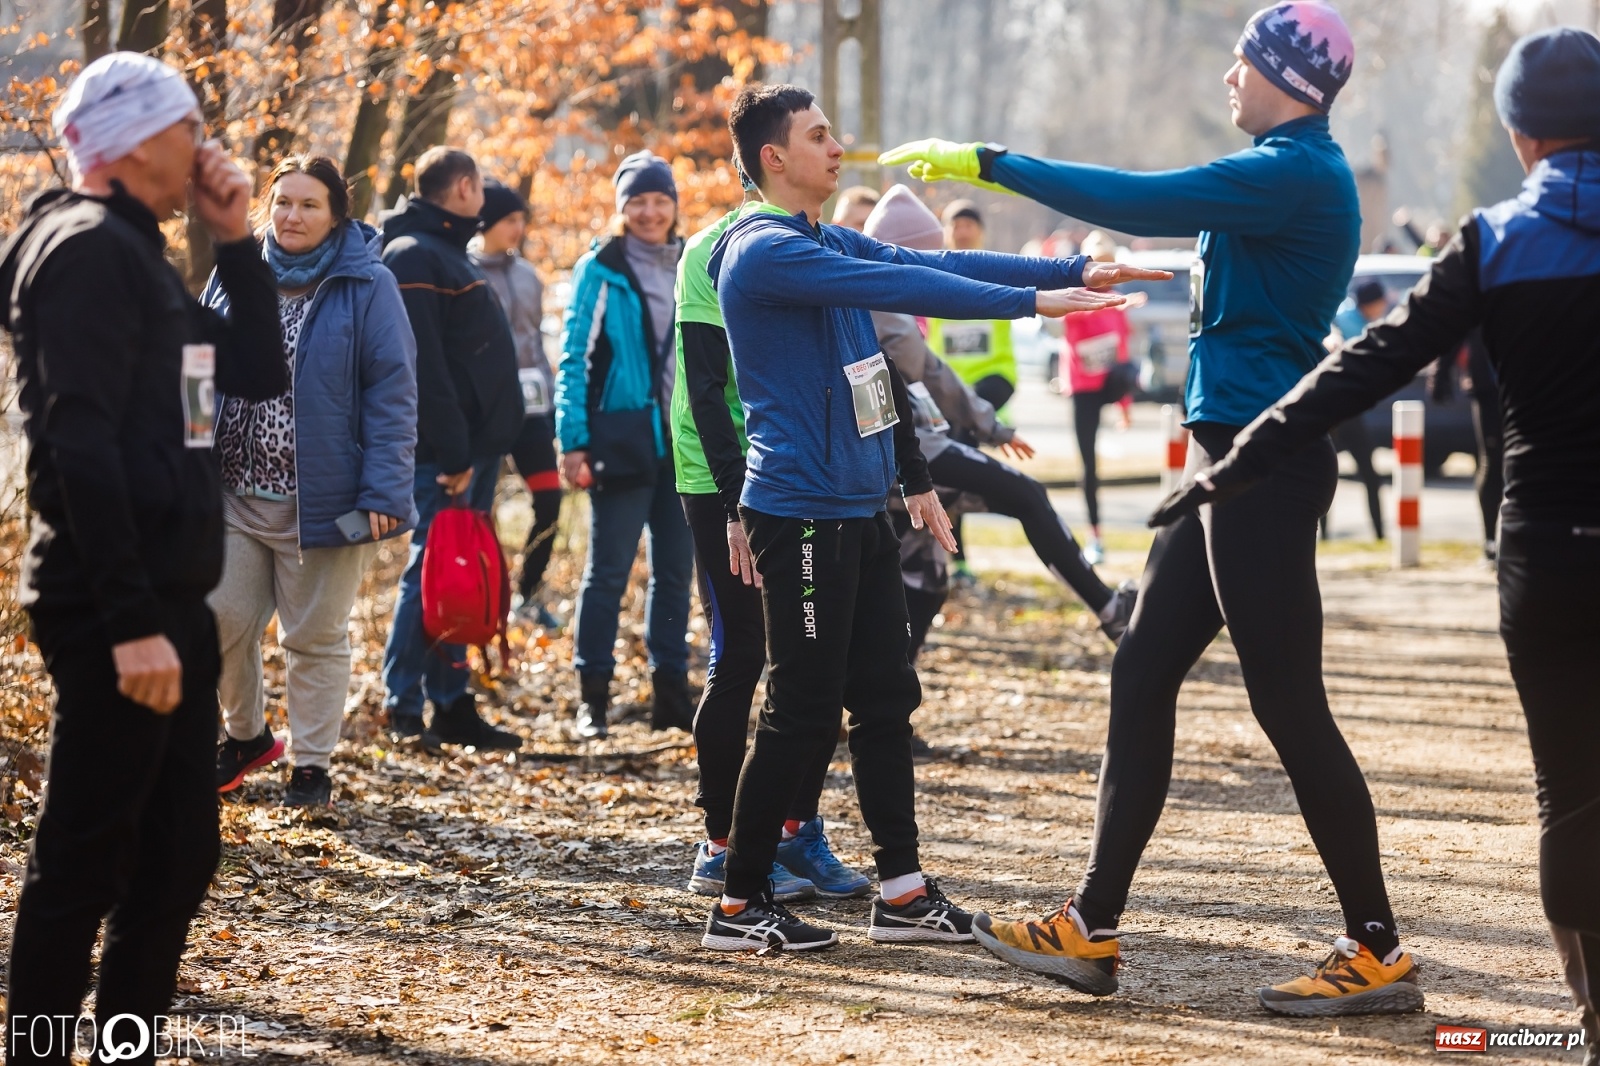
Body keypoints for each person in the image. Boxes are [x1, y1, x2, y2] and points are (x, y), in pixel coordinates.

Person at [884, 2, 1420, 1015]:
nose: (1228, 77)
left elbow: (1133, 194)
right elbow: (1246, 282)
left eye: (1242, 64)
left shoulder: (1290, 170)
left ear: (1289, 82)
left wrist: (991, 162)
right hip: (1229, 465)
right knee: (1140, 664)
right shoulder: (1282, 174)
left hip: (1262, 467)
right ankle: (1089, 927)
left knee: (1289, 706)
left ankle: (1377, 947)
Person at [1151, 27, 1600, 1053]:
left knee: (1569, 791)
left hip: (1545, 554)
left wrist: (1241, 457)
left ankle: (1590, 1019)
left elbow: (1369, 363)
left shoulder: (1492, 240)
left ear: (1519, 133)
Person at [700, 83, 1165, 953]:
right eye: (819, 135)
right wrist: (1033, 303)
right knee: (800, 709)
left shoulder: (816, 238)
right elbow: (912, 278)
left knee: (884, 699)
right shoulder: (763, 251)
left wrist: (1071, 271)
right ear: (774, 158)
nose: (839, 148)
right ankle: (738, 904)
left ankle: (904, 894)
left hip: (858, 508)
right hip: (797, 514)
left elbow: (941, 267)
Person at [0, 52, 284, 1058]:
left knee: (175, 858)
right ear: (134, 139)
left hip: (170, 604)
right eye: (190, 125)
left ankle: (123, 1051)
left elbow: (249, 370)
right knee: (85, 860)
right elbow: (75, 443)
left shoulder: (144, 259)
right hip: (116, 609)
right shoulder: (83, 251)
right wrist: (128, 626)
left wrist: (237, 240)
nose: (205, 144)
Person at [673, 189, 871, 903]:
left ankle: (795, 829)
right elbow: (703, 388)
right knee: (742, 657)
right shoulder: (713, 249)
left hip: (801, 477)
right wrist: (732, 505)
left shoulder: (817, 240)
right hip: (723, 480)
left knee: (814, 664)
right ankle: (720, 846)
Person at [209, 155, 417, 807]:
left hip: (325, 499)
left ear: (336, 218)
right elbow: (192, 368)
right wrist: (181, 456)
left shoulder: (368, 284)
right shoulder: (234, 274)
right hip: (232, 492)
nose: (292, 216)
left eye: (308, 205)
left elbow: (393, 391)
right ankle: (245, 737)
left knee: (314, 637)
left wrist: (384, 490)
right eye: (283, 202)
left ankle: (312, 765)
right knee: (216, 618)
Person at [863, 187, 1136, 647]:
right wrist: (990, 424)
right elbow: (931, 372)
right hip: (910, 458)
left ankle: (883, 689)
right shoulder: (882, 300)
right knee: (1026, 494)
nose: (936, 272)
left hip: (911, 450)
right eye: (928, 258)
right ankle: (1109, 610)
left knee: (925, 581)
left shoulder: (888, 294)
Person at [381, 147, 523, 752]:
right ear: (464, 188)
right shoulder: (414, 254)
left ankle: (451, 701)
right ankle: (404, 702)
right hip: (447, 454)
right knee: (433, 569)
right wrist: (456, 451)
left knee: (456, 573)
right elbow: (425, 367)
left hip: (470, 449)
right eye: (480, 186)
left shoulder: (443, 253)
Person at [556, 150, 695, 739]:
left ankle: (671, 695)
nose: (649, 211)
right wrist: (573, 442)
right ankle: (595, 699)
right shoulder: (601, 269)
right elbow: (573, 360)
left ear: (673, 205)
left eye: (660, 200)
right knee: (607, 572)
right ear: (622, 208)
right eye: (637, 201)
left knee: (675, 573)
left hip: (685, 444)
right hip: (620, 440)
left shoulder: (694, 262)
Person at [472, 178, 564, 626]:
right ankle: (481, 599)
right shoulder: (464, 272)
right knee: (477, 512)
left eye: (522, 219)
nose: (519, 228)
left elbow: (536, 343)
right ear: (486, 221)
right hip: (484, 414)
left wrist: (552, 403)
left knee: (550, 500)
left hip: (533, 411)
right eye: (510, 220)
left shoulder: (529, 275)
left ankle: (526, 594)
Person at [1062, 230, 1136, 564]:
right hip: (1082, 391)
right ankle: (1095, 535)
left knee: (1132, 368)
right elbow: (1070, 321)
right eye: (1097, 264)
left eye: (1109, 264)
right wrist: (1109, 302)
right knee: (1088, 464)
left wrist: (1125, 407)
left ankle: (1096, 538)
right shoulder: (1075, 297)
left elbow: (1121, 354)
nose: (1104, 273)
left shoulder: (1118, 303)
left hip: (1108, 384)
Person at [924, 200, 1020, 413]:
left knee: (967, 419)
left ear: (981, 232)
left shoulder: (999, 270)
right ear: (946, 233)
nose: (963, 232)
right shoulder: (931, 273)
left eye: (969, 225)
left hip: (992, 375)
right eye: (956, 226)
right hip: (946, 379)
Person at [1324, 279, 1389, 542]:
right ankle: (1379, 533)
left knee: (1326, 474)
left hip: (1334, 410)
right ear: (1371, 303)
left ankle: (1324, 536)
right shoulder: (1351, 323)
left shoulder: (1344, 316)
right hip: (1342, 410)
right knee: (1367, 475)